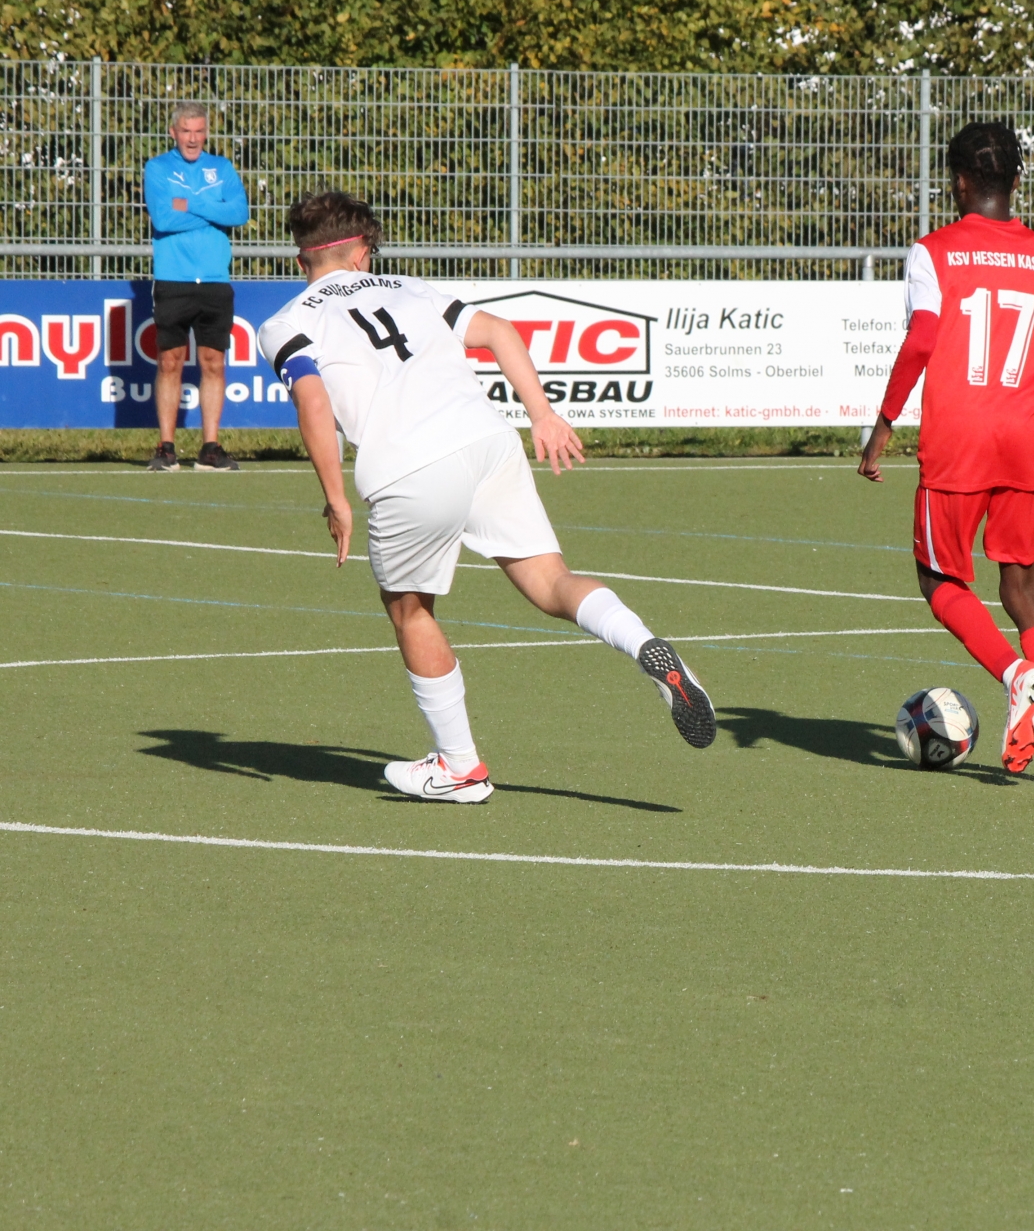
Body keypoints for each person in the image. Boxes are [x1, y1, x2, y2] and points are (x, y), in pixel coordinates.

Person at [258, 191, 714, 803]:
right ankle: (644, 644)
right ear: (363, 251)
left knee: (410, 610)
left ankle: (460, 768)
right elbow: (499, 332)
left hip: (409, 466)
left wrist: (335, 496)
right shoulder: (411, 288)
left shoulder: (285, 322)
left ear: (301, 260)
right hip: (487, 441)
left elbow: (312, 401)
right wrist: (542, 415)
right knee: (552, 582)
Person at [856, 122, 1034, 787]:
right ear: (1016, 181)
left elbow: (922, 338)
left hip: (959, 440)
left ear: (958, 182)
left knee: (938, 580)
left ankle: (1015, 674)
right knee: (1025, 589)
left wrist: (884, 423)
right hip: (1028, 439)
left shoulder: (933, 251)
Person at [143, 100, 250, 472]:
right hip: (173, 279)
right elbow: (163, 218)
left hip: (215, 281)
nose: (192, 138)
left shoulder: (222, 168)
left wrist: (189, 203)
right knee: (170, 362)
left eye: (199, 131)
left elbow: (239, 213)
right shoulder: (157, 168)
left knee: (213, 363)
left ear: (206, 133)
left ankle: (210, 449)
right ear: (173, 132)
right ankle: (166, 448)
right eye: (185, 131)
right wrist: (212, 208)